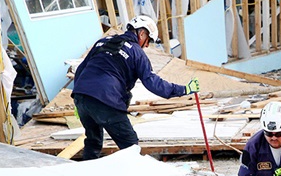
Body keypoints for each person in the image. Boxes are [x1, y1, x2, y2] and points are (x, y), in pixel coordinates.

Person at [72, 15, 199, 160]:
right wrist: (183, 90)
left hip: (81, 98)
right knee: (131, 146)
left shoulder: (102, 42)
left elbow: (81, 70)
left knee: (93, 142)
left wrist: (77, 99)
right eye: (148, 41)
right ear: (142, 33)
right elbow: (152, 82)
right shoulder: (136, 52)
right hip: (106, 99)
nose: (146, 46)